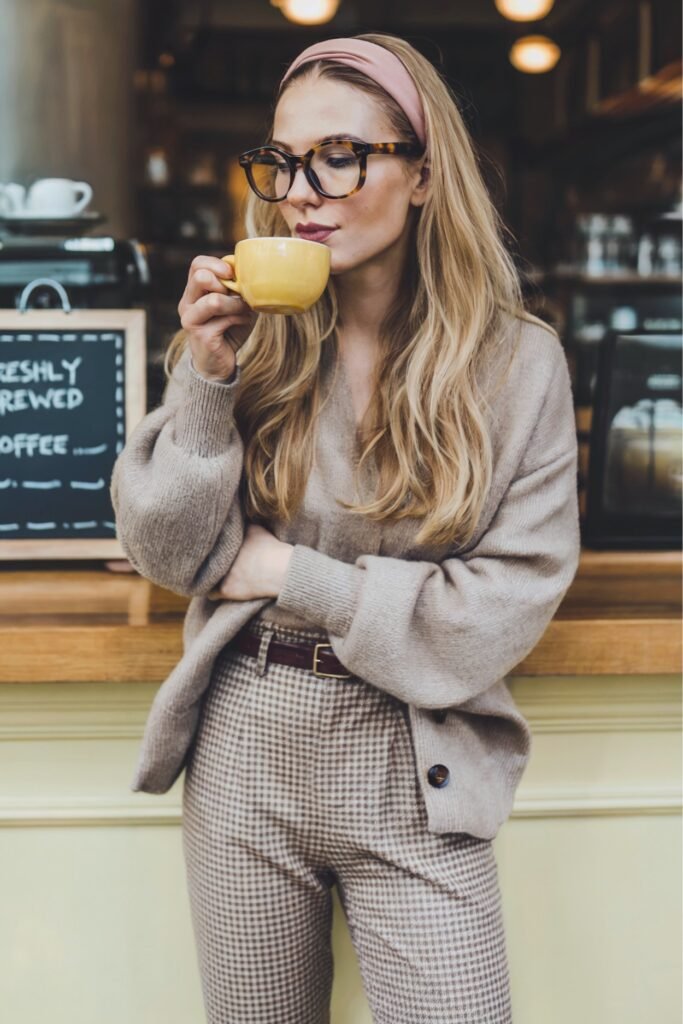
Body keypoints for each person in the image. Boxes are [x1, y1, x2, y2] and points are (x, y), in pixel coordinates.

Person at [110, 32, 581, 1024]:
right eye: (283, 162)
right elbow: (170, 555)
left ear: (420, 174)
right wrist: (204, 378)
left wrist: (291, 572)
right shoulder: (254, 340)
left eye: (339, 154)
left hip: (414, 760)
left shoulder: (516, 364)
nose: (300, 191)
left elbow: (504, 599)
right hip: (246, 741)